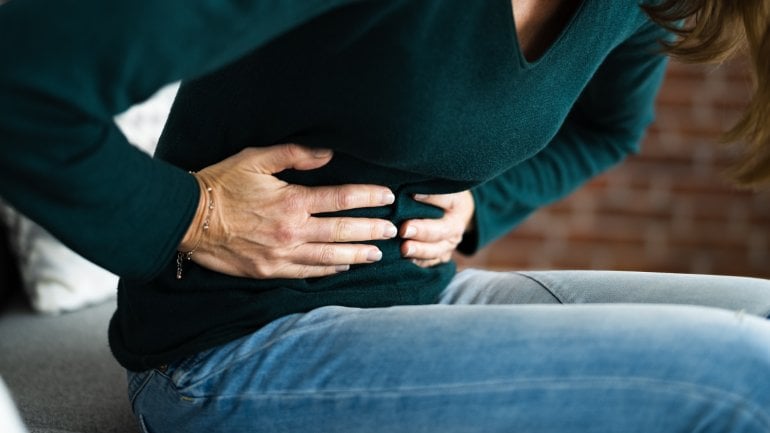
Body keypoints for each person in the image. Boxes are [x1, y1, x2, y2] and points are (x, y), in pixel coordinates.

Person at [1, 0, 770, 431]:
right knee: (747, 374)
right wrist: (192, 215)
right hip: (232, 346)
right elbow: (20, 86)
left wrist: (482, 203)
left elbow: (607, 128)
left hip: (421, 293)